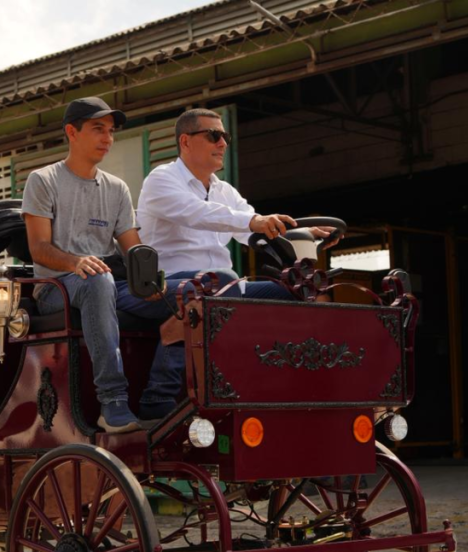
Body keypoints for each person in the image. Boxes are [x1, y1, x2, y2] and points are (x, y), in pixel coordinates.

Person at [127, 108, 339, 421]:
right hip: (169, 284)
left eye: (224, 136)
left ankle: (277, 385)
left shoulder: (224, 190)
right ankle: (158, 395)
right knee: (216, 283)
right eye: (214, 135)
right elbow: (200, 214)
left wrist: (305, 233)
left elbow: (253, 229)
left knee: (296, 289)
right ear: (185, 141)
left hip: (220, 286)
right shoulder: (161, 180)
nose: (223, 143)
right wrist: (255, 222)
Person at [22, 97, 154, 434]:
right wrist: (76, 261)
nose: (108, 138)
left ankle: (161, 399)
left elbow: (133, 249)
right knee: (98, 280)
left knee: (188, 298)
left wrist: (154, 280)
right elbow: (38, 249)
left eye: (110, 131)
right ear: (72, 132)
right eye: (98, 129)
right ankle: (113, 402)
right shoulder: (43, 180)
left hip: (108, 283)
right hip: (56, 288)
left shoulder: (117, 188)